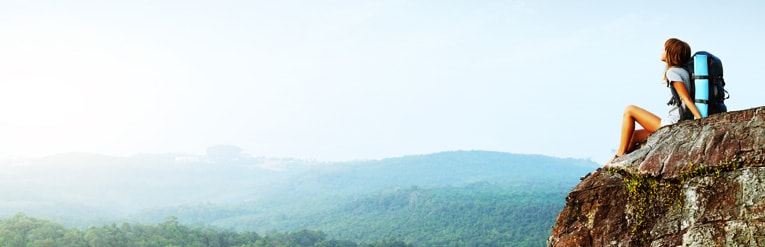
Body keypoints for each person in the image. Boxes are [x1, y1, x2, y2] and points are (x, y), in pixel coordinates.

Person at [611, 38, 702, 161]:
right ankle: (606, 167)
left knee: (629, 110)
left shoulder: (672, 72)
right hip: (679, 123)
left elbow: (686, 98)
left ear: (671, 53)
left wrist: (702, 121)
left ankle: (619, 157)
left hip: (673, 125)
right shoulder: (685, 71)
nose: (661, 50)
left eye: (664, 48)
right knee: (633, 137)